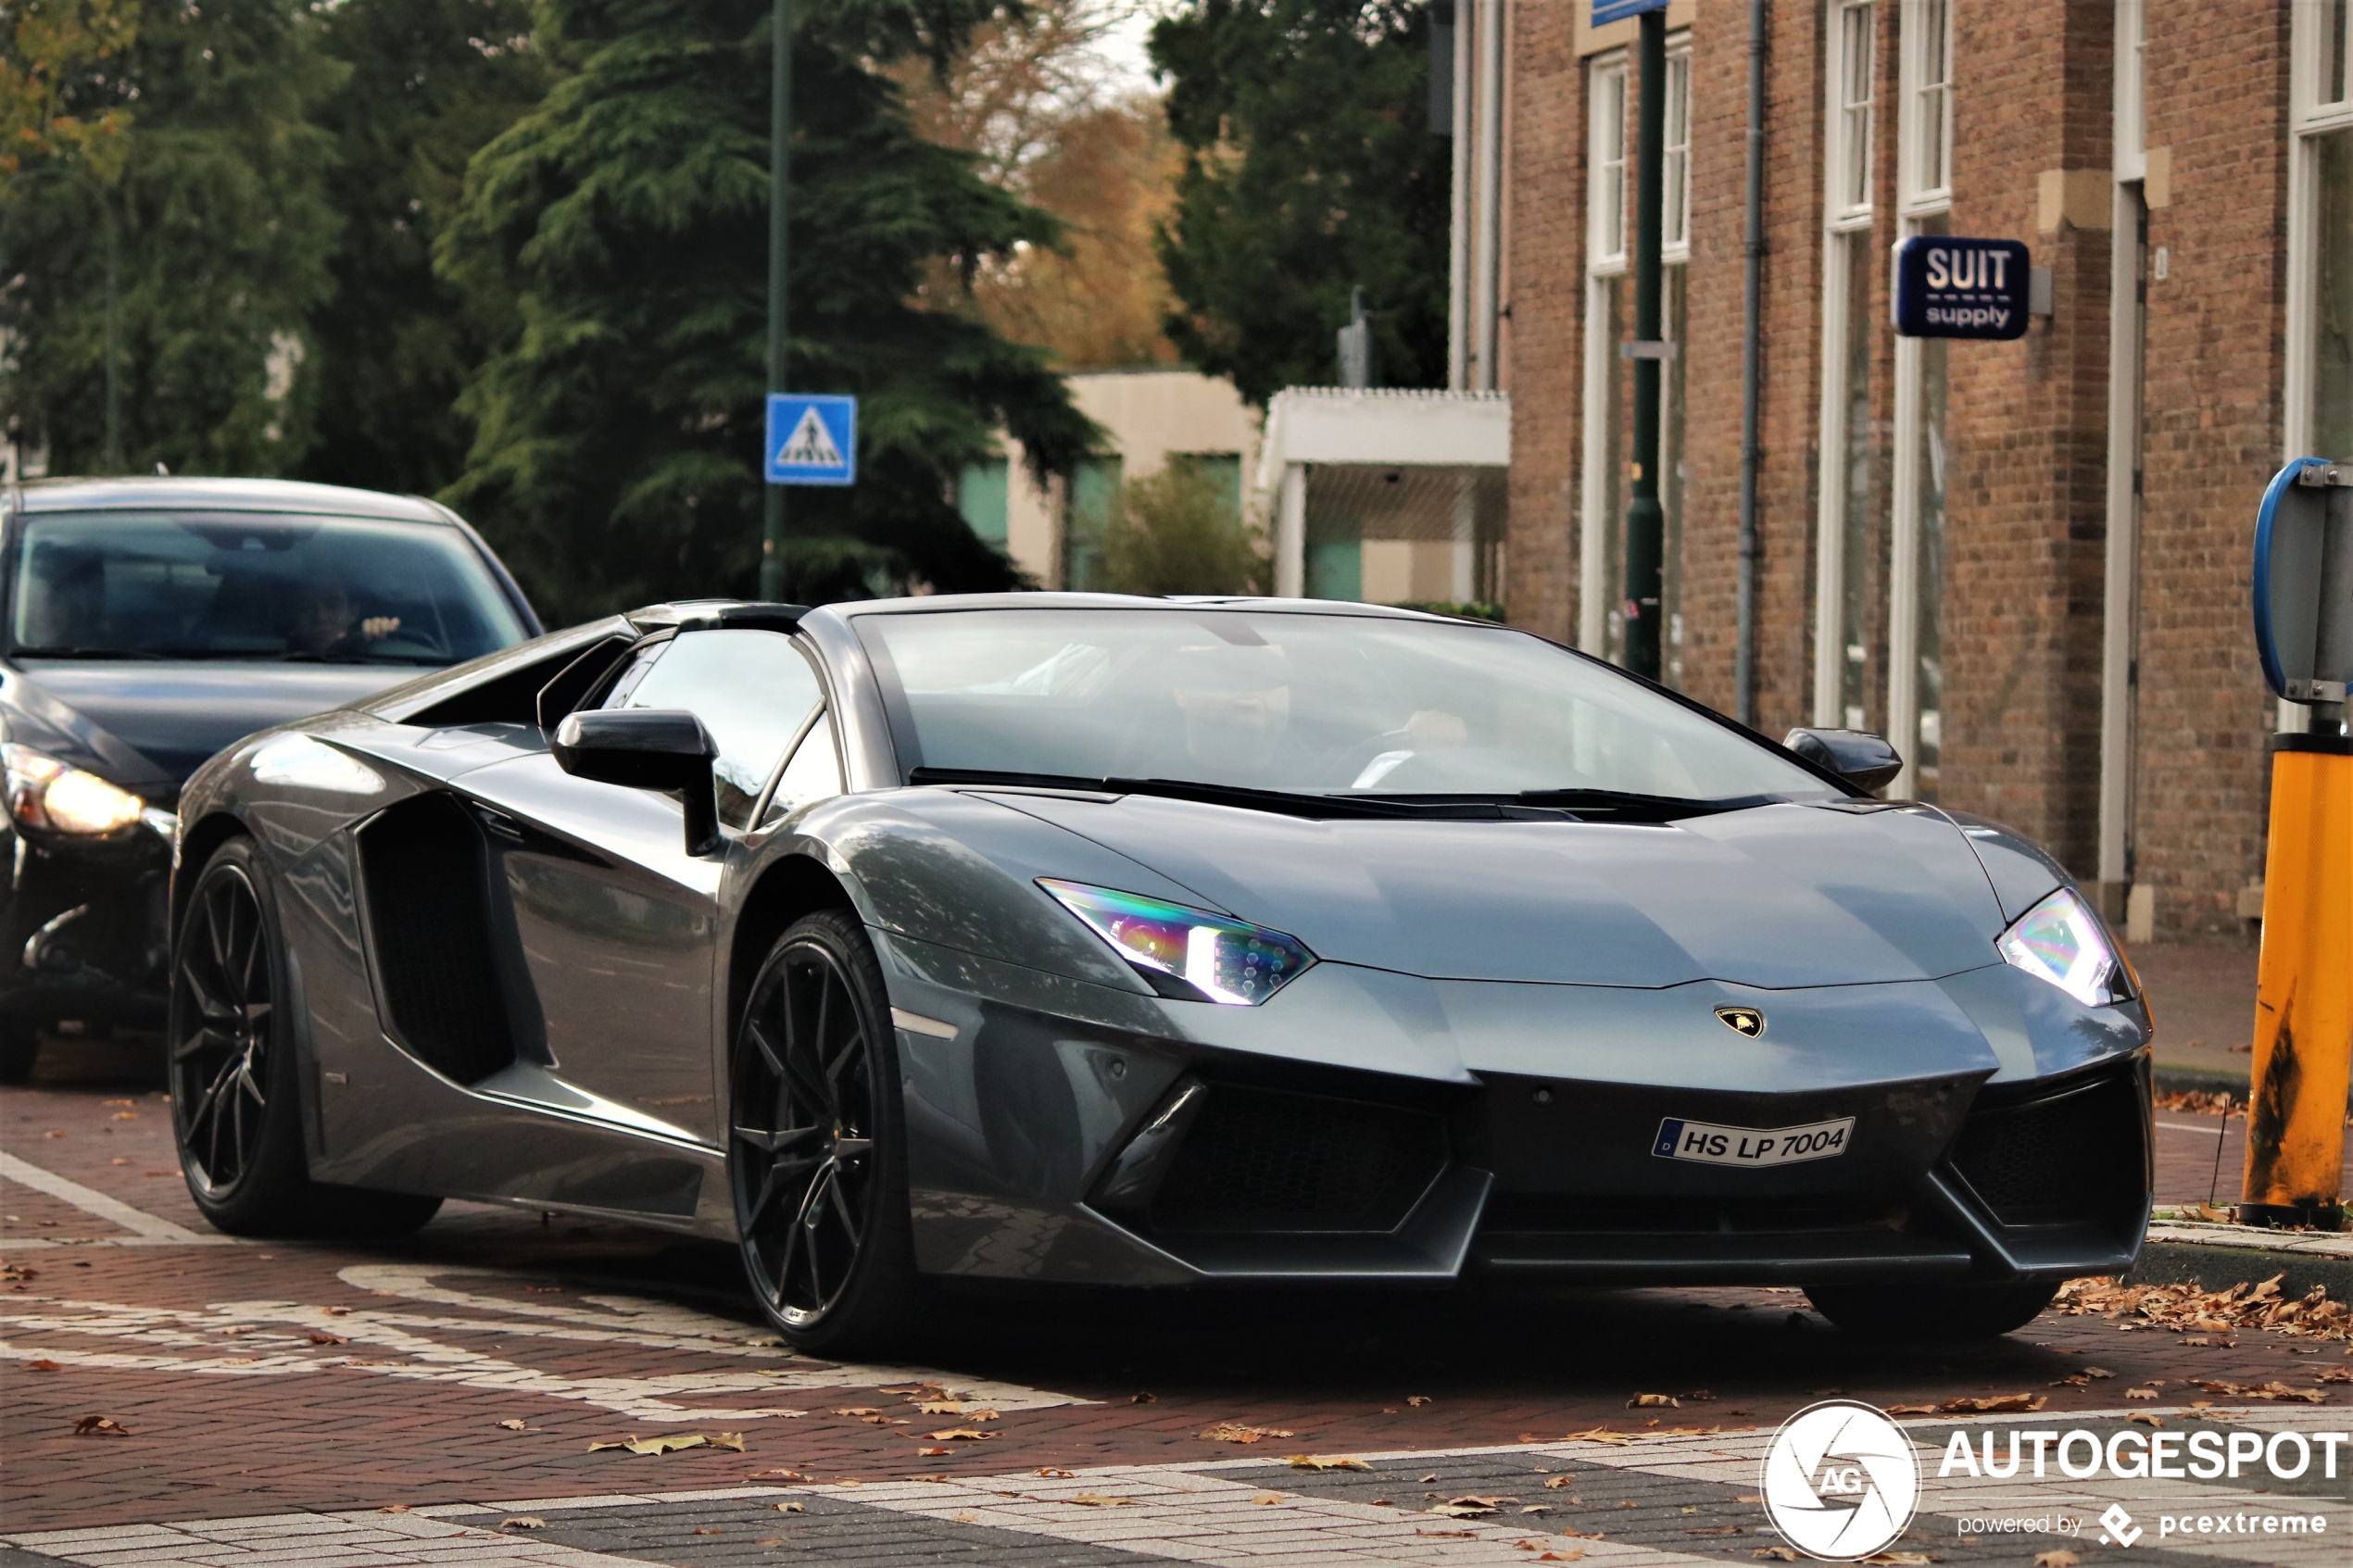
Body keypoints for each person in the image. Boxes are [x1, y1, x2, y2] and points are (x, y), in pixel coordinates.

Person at [285, 574, 399, 658]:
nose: (320, 617)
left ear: (353, 613)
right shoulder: (271, 663)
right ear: (294, 615)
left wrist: (381, 639)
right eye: (308, 607)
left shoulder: (381, 663)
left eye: (332, 605)